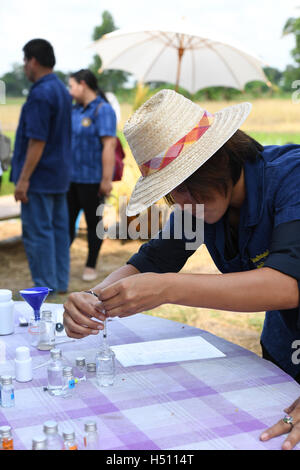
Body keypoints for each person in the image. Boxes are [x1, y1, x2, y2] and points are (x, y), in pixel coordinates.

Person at [63, 89, 300, 449]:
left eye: (192, 182)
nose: (185, 201)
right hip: (285, 348)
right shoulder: (197, 206)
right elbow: (151, 262)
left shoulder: (291, 179)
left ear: (223, 154)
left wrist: (168, 288)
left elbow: (287, 285)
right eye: (173, 191)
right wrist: (94, 300)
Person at [10, 39, 72, 293]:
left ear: (33, 61)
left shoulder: (40, 94)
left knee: (38, 234)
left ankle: (44, 287)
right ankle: (59, 283)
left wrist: (23, 179)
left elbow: (37, 141)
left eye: (25, 61)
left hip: (39, 177)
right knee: (58, 231)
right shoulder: (61, 90)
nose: (25, 67)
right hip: (59, 176)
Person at [67, 69, 116, 282]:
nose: (70, 90)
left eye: (72, 85)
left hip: (92, 179)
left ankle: (90, 264)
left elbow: (109, 145)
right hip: (70, 179)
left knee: (94, 221)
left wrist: (106, 179)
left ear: (83, 84)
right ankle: (62, 263)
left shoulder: (103, 111)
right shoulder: (74, 111)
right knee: (66, 222)